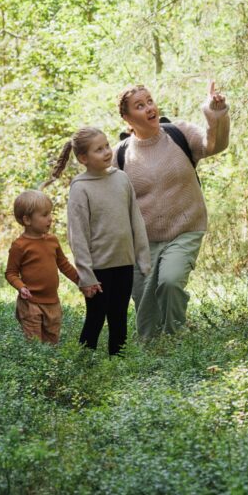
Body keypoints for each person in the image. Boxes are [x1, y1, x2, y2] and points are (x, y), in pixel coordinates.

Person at [115, 81, 230, 339]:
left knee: (170, 281)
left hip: (185, 230)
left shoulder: (179, 134)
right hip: (142, 242)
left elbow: (215, 144)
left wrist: (216, 112)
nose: (149, 108)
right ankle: (153, 351)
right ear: (127, 118)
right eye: (139, 106)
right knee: (145, 306)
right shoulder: (120, 155)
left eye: (150, 101)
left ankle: (176, 338)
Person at [47, 127, 151, 355]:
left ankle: (118, 362)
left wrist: (143, 258)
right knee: (96, 317)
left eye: (106, 146)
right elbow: (78, 235)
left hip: (124, 263)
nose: (106, 152)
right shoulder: (80, 187)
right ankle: (83, 362)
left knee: (119, 317)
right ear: (83, 158)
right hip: (98, 268)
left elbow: (136, 220)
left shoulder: (121, 178)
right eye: (99, 149)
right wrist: (86, 274)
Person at [4, 190, 80, 344]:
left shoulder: (52, 241)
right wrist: (20, 287)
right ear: (27, 220)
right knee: (34, 344)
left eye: (50, 213)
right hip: (30, 302)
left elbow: (64, 265)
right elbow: (11, 273)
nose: (50, 218)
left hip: (52, 302)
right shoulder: (20, 245)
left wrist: (81, 281)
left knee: (52, 342)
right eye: (44, 215)